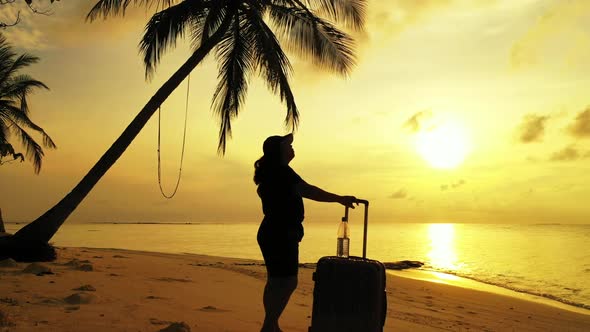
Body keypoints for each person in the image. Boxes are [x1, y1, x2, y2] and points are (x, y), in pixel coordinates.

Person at [253, 133, 361, 332]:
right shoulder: (283, 172)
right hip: (280, 233)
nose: (292, 148)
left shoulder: (271, 172)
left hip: (271, 231)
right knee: (287, 281)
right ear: (279, 151)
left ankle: (271, 325)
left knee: (276, 281)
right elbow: (309, 191)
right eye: (288, 145)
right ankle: (269, 325)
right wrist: (339, 198)